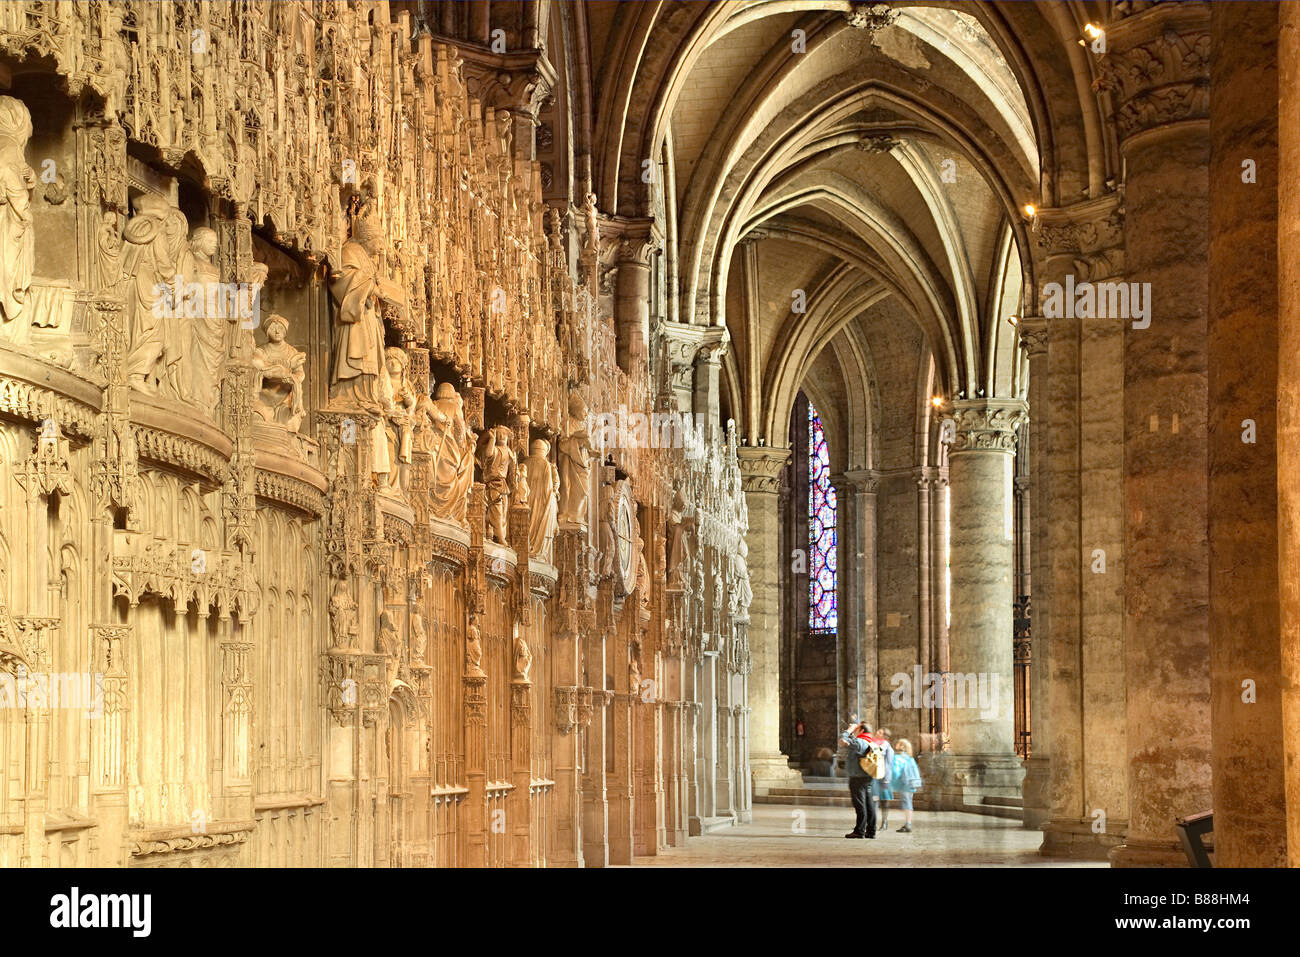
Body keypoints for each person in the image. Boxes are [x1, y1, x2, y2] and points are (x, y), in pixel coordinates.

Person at [838, 718, 877, 839]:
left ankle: (859, 831)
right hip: (868, 777)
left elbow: (842, 741)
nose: (855, 730)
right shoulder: (871, 741)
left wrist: (849, 730)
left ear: (861, 730)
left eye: (857, 728)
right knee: (869, 804)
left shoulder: (860, 742)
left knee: (860, 805)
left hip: (858, 778)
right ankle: (871, 831)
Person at [891, 738, 923, 833]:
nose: (896, 744)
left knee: (907, 803)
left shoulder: (898, 757)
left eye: (898, 743)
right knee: (908, 802)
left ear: (901, 746)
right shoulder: (910, 758)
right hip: (912, 783)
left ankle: (908, 824)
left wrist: (891, 782)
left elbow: (895, 772)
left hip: (904, 784)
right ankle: (907, 823)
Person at [871, 727, 896, 830]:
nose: (877, 732)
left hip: (883, 778)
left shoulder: (886, 746)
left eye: (880, 732)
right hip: (874, 776)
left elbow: (888, 764)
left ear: (884, 736)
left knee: (884, 801)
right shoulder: (874, 743)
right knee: (874, 800)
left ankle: (884, 822)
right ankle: (872, 822)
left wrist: (887, 779)